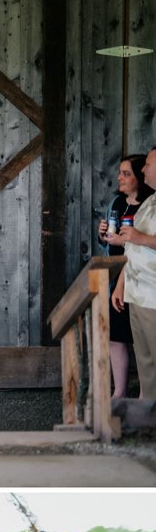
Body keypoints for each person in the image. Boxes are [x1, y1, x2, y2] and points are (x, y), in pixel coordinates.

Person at [99, 154, 154, 396]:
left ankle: (146, 401)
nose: (144, 169)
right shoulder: (133, 204)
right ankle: (133, 402)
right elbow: (125, 248)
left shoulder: (148, 203)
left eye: (127, 173)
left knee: (150, 352)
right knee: (135, 351)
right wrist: (104, 237)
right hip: (128, 286)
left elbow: (137, 242)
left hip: (149, 290)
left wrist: (136, 238)